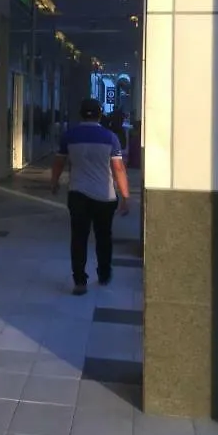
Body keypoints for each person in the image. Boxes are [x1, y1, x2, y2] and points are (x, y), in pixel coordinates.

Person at [49, 98, 131, 295]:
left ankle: (79, 281)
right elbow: (118, 168)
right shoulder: (110, 137)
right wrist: (125, 196)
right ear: (100, 115)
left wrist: (54, 182)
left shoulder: (69, 136)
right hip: (105, 197)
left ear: (81, 114)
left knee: (79, 238)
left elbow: (59, 163)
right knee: (104, 237)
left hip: (78, 194)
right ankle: (104, 274)